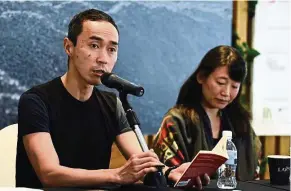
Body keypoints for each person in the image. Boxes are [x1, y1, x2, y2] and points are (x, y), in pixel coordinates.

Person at [16, 9, 209, 189]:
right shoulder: (35, 101)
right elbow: (49, 173)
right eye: (94, 45)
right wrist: (117, 175)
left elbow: (139, 159)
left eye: (112, 49)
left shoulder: (111, 103)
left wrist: (170, 172)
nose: (103, 59)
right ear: (69, 46)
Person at [152, 45, 261, 181]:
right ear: (201, 77)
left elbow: (254, 175)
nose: (226, 93)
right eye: (220, 82)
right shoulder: (176, 121)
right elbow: (169, 174)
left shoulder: (241, 123)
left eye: (234, 86)